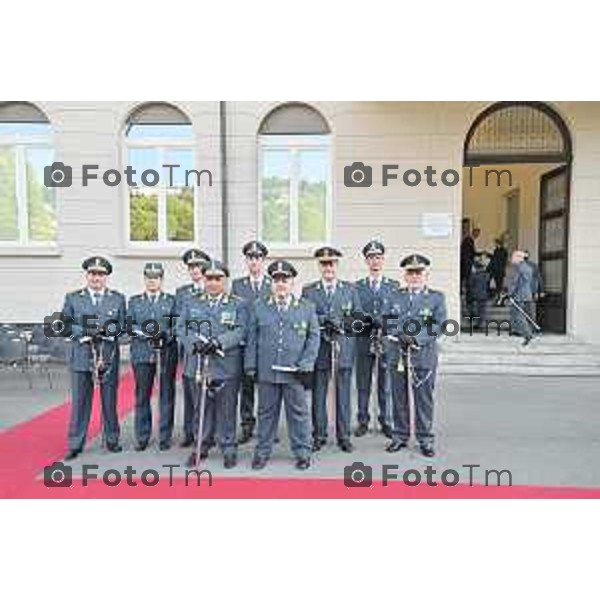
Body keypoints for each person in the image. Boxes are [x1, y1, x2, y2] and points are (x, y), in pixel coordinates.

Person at [245, 260, 320, 471]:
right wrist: (250, 366)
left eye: (284, 280)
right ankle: (262, 452)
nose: (280, 284)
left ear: (292, 283)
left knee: (298, 414)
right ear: (272, 283)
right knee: (266, 414)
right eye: (276, 280)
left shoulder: (306, 308)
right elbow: (252, 338)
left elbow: (314, 338)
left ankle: (303, 452)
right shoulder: (259, 306)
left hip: (294, 372)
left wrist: (306, 363)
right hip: (267, 371)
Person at [177, 260, 248, 469]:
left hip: (226, 363)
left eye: (218, 279)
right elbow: (181, 327)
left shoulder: (237, 303)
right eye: (209, 278)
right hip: (198, 363)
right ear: (203, 278)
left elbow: (240, 330)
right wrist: (194, 343)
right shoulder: (191, 302)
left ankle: (228, 447)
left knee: (227, 408)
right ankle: (202, 445)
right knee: (201, 408)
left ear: (225, 281)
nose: (213, 283)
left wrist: (220, 342)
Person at [62, 257, 126, 460]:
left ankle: (112, 439)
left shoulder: (117, 298)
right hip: (81, 355)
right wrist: (87, 330)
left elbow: (123, 326)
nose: (96, 278)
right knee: (80, 401)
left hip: (107, 356)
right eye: (92, 274)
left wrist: (110, 330)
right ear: (87, 275)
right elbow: (64, 325)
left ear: (106, 277)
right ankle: (75, 443)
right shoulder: (73, 298)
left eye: (100, 274)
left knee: (109, 400)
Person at [384, 254, 447, 457]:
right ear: (405, 275)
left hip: (423, 354)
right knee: (398, 395)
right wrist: (398, 334)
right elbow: (387, 320)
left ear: (426, 274)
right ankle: (400, 435)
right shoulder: (395, 296)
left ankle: (425, 438)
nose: (414, 276)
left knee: (424, 398)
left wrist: (417, 338)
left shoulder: (436, 297)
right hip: (398, 353)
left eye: (418, 272)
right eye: (410, 273)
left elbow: (439, 324)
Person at [302, 247, 362, 453]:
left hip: (342, 347)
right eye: (324, 263)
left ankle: (343, 435)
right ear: (319, 265)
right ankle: (319, 434)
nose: (328, 267)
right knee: (318, 394)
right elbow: (304, 316)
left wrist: (340, 322)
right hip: (320, 349)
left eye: (332, 263)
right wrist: (322, 320)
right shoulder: (309, 290)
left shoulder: (350, 289)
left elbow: (358, 318)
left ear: (338, 265)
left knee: (343, 394)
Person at [127, 263, 178, 452]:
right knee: (142, 395)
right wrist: (144, 333)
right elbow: (128, 325)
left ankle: (164, 435)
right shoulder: (135, 301)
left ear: (161, 280)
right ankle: (142, 435)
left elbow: (176, 325)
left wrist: (166, 334)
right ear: (144, 279)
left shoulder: (171, 301)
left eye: (156, 277)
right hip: (142, 353)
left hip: (165, 353)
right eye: (149, 277)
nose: (152, 281)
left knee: (166, 393)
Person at [354, 240, 397, 438]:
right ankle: (363, 420)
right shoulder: (358, 287)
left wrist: (383, 325)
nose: (375, 261)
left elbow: (396, 314)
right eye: (371, 258)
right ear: (366, 260)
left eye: (378, 257)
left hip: (385, 341)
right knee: (363, 383)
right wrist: (368, 323)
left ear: (383, 259)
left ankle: (386, 420)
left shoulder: (393, 286)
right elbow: (355, 313)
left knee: (385, 384)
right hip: (363, 340)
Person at [231, 240, 272, 444]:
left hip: (266, 344)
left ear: (263, 260)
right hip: (245, 344)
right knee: (246, 388)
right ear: (246, 260)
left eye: (257, 258)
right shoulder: (238, 285)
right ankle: (246, 425)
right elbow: (234, 314)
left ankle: (267, 427)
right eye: (250, 258)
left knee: (267, 389)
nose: (254, 261)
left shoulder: (273, 282)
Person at [174, 248, 211, 448]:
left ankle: (205, 432)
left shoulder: (213, 288)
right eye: (191, 267)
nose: (195, 270)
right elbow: (178, 321)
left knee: (205, 392)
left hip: (208, 349)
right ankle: (189, 431)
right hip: (189, 348)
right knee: (189, 393)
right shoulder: (182, 292)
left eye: (198, 266)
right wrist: (189, 342)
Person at [505, 250, 536, 346]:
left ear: (519, 258)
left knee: (518, 315)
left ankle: (528, 334)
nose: (512, 259)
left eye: (513, 257)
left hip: (518, 295)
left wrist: (510, 294)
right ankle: (527, 332)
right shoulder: (529, 268)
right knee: (523, 315)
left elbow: (514, 283)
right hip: (527, 295)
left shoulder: (517, 268)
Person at [468, 259, 491, 329]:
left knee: (477, 310)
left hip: (476, 295)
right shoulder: (487, 275)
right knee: (482, 310)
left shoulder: (474, 276)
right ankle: (481, 323)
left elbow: (470, 285)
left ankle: (478, 323)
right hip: (484, 294)